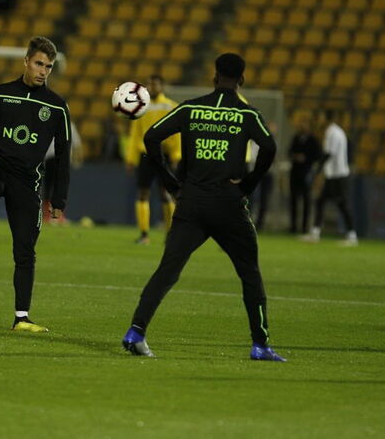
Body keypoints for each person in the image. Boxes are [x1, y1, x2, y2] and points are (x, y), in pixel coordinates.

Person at [122, 53, 286, 362]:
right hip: (229, 206)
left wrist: (171, 182)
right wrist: (248, 184)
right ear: (242, 80)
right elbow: (270, 148)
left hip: (191, 204)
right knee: (250, 273)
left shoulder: (191, 108)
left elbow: (151, 136)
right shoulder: (247, 115)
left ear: (214, 76)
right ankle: (260, 345)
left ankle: (136, 331)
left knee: (167, 271)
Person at [0, 36, 71, 332]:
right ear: (26, 62)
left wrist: (59, 200)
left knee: (25, 251)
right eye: (39, 64)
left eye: (49, 66)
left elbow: (64, 156)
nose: (43, 71)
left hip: (28, 180)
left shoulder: (57, 107)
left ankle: (21, 318)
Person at [125, 75, 181, 245]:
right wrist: (130, 158)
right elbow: (135, 135)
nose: (151, 87)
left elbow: (178, 133)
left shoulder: (171, 106)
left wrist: (177, 155)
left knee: (166, 194)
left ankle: (170, 233)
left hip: (164, 155)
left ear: (162, 87)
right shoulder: (141, 108)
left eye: (155, 84)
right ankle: (144, 234)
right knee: (143, 192)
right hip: (145, 155)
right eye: (149, 84)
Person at [302, 110, 358, 246]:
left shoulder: (332, 132)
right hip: (333, 174)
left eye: (320, 117)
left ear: (326, 119)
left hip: (337, 175)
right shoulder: (336, 131)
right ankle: (315, 233)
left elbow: (329, 154)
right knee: (320, 201)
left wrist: (317, 170)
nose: (318, 120)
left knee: (342, 204)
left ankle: (352, 236)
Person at [288, 116, 321, 233]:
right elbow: (290, 151)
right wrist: (295, 156)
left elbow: (317, 155)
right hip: (295, 172)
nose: (303, 126)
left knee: (306, 200)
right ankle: (293, 226)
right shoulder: (296, 138)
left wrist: (306, 158)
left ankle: (304, 227)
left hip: (306, 172)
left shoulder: (313, 140)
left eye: (305, 124)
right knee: (293, 199)